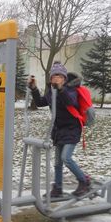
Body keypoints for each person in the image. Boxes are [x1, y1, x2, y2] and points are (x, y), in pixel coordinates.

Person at [28, 61, 91, 197]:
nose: (56, 78)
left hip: (72, 129)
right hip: (58, 130)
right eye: (54, 76)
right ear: (50, 79)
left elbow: (70, 101)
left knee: (66, 158)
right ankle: (58, 188)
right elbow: (40, 102)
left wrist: (61, 89)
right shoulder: (51, 92)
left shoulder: (70, 90)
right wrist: (34, 88)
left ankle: (84, 181)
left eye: (59, 76)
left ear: (64, 78)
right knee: (57, 162)